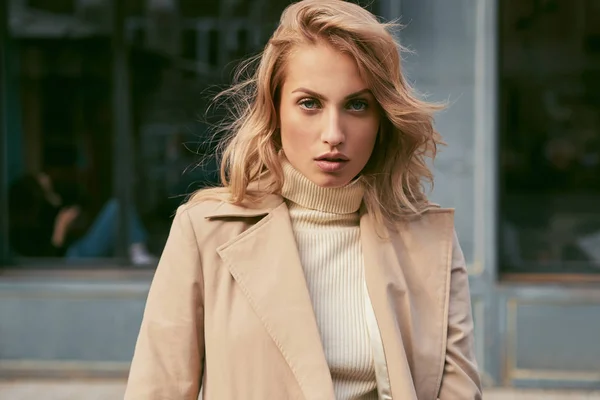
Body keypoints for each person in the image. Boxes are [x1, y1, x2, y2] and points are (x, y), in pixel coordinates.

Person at [124, 1, 482, 399]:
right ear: (275, 111)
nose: (333, 133)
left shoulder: (430, 240)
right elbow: (159, 390)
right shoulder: (206, 230)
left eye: (357, 105)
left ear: (383, 118)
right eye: (309, 103)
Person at [8, 173, 156, 265]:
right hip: (68, 263)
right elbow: (50, 262)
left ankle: (136, 251)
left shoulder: (48, 208)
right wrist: (61, 227)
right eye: (44, 188)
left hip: (75, 252)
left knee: (116, 208)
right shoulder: (21, 233)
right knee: (116, 208)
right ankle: (137, 253)